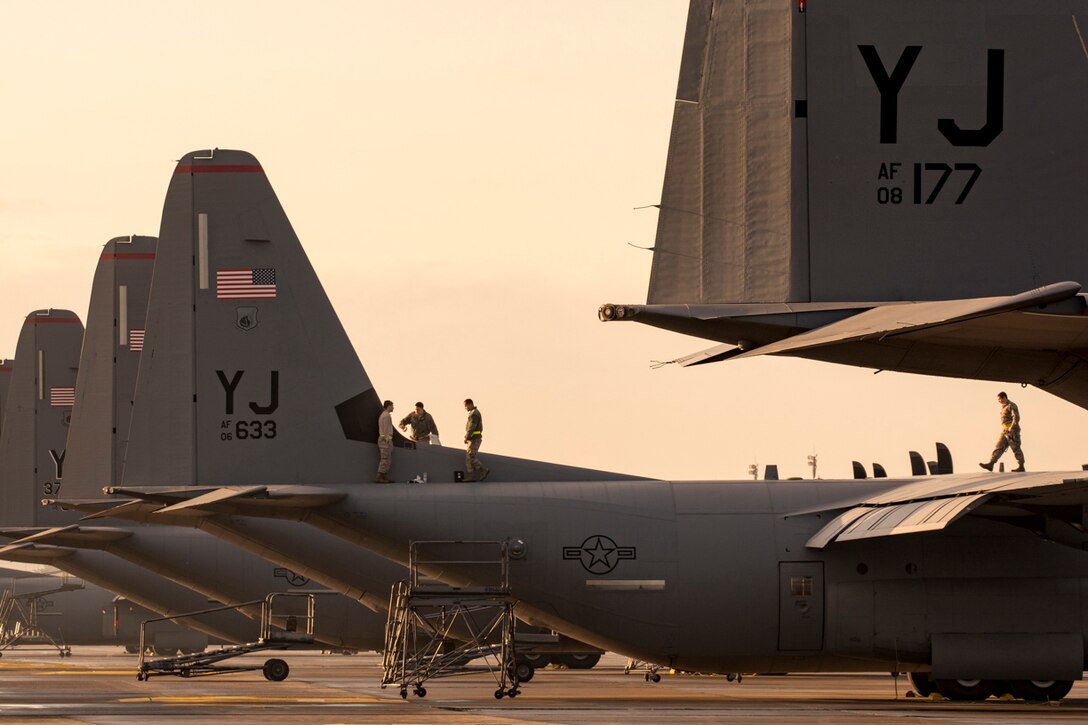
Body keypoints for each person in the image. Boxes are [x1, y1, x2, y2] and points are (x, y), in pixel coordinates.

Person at [979, 391, 1024, 472]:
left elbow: (1016, 417)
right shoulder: (1004, 407)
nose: (999, 401)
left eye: (1000, 399)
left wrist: (1012, 427)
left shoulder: (1011, 406)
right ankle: (991, 464)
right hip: (1005, 430)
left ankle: (1021, 466)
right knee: (999, 446)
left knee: (1016, 448)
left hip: (1012, 430)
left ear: (1004, 397)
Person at [463, 398, 489, 481]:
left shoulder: (474, 414)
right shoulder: (473, 413)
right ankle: (471, 476)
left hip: (474, 439)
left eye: (465, 406)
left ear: (470, 404)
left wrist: (467, 436)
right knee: (469, 458)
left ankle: (483, 470)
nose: (465, 408)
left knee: (471, 457)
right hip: (473, 438)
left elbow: (471, 427)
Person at [376, 400, 395, 483]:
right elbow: (385, 430)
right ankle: (379, 477)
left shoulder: (384, 415)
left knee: (387, 459)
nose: (393, 407)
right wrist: (387, 440)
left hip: (385, 439)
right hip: (385, 440)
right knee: (385, 458)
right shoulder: (386, 416)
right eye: (392, 406)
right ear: (388, 406)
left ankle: (383, 477)